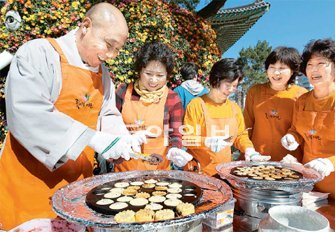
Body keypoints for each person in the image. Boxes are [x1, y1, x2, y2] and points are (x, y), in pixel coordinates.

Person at [0, 3, 147, 230]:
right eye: (108, 45)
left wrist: (121, 139)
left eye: (117, 50)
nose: (111, 55)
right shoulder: (39, 53)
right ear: (86, 26)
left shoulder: (103, 75)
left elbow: (107, 112)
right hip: (29, 182)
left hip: (75, 186)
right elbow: (29, 111)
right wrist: (91, 138)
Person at [281, 39, 335, 205]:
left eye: (321, 63)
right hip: (310, 188)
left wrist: (330, 163)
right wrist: (292, 137)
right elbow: (296, 130)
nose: (314, 69)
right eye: (310, 64)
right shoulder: (302, 100)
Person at [182, 58, 270, 176]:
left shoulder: (234, 108)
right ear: (215, 80)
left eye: (234, 86)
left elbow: (240, 135)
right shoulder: (196, 105)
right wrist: (207, 142)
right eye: (228, 85)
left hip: (223, 172)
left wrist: (249, 150)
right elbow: (187, 139)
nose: (231, 90)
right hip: (198, 172)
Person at [115, 41, 193, 171]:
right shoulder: (123, 92)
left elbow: (175, 134)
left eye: (160, 75)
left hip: (158, 171)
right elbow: (110, 125)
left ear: (168, 75)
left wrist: (174, 149)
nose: (153, 80)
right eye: (148, 74)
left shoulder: (172, 98)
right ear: (140, 70)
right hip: (125, 170)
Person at [243, 47, 307, 162]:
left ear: (292, 71)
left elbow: (303, 130)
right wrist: (247, 150)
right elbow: (247, 126)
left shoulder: (301, 94)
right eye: (272, 67)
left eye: (282, 68)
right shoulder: (255, 91)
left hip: (289, 161)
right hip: (257, 158)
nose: (276, 72)